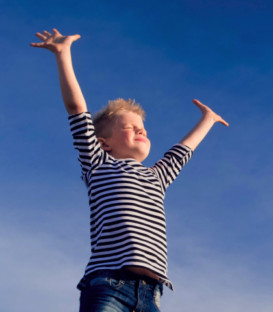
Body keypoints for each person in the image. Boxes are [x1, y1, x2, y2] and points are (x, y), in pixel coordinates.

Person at [31, 28, 228, 312]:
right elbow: (77, 109)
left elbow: (183, 150)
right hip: (109, 286)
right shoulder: (98, 163)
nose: (141, 131)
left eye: (143, 129)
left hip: (152, 295)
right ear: (104, 143)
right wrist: (63, 55)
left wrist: (207, 120)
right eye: (130, 128)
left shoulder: (157, 176)